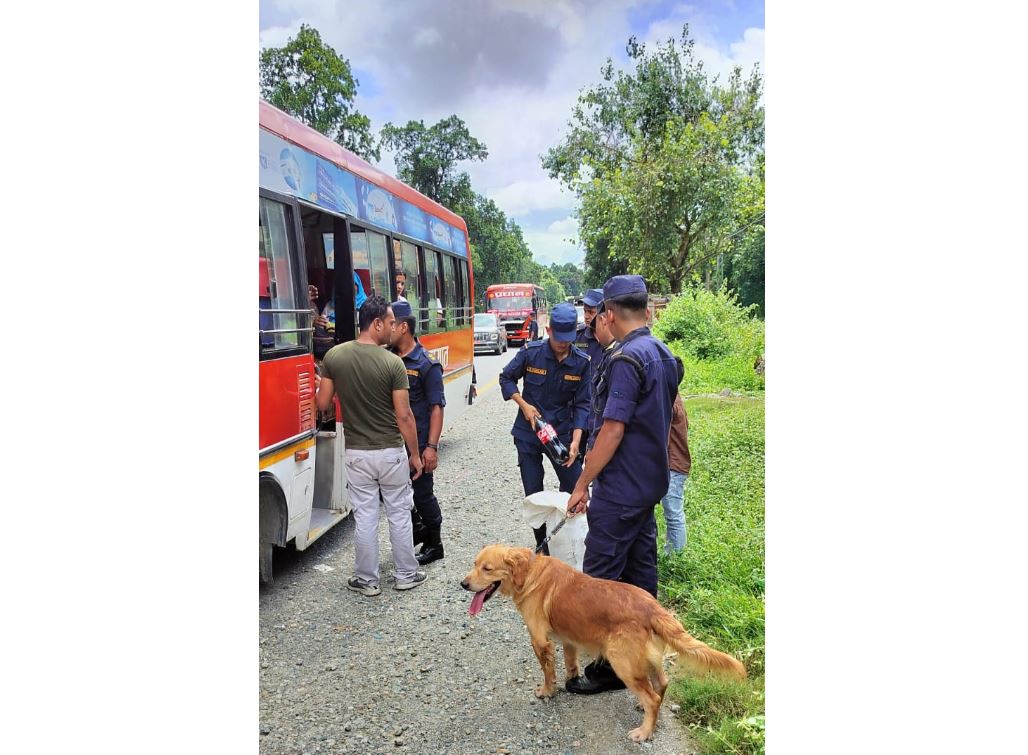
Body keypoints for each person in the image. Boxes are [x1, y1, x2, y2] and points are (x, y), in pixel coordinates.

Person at [564, 275, 683, 695]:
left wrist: (581, 484)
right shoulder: (665, 355)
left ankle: (609, 669)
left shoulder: (625, 361)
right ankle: (644, 654)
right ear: (647, 311)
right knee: (639, 574)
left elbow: (612, 431)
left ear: (609, 315)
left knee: (601, 581)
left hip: (620, 490)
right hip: (650, 485)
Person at [314, 295, 428, 595]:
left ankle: (367, 581)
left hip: (356, 454)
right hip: (390, 452)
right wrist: (414, 454)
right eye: (390, 323)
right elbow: (404, 416)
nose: (394, 328)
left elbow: (322, 403)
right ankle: (405, 575)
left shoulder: (335, 358)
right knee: (399, 512)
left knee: (365, 515)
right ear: (375, 323)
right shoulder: (393, 363)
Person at [499, 302, 591, 554]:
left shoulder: (581, 362)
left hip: (560, 435)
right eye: (559, 338)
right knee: (534, 493)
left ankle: (579, 543)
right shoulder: (532, 352)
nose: (563, 344)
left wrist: (576, 440)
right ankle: (543, 548)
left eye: (568, 339)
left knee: (576, 487)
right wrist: (523, 405)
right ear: (548, 330)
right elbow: (506, 378)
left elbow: (584, 404)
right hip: (528, 433)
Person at [388, 300, 447, 566]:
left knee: (422, 493)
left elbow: (437, 408)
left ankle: (435, 543)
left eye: (390, 323)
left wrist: (431, 447)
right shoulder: (387, 358)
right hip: (391, 442)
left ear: (403, 327)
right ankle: (417, 529)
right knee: (391, 492)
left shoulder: (426, 364)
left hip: (420, 441)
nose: (386, 328)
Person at [662, 393, 692, 554]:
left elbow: (662, 439)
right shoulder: (675, 398)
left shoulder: (669, 401)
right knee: (673, 514)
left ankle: (676, 559)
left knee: (673, 515)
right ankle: (672, 556)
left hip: (672, 465)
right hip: (676, 463)